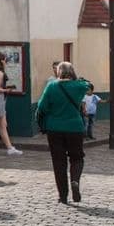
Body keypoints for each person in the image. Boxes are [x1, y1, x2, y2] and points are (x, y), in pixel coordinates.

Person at [36, 62, 90, 204]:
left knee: (58, 162)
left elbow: (42, 107)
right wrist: (78, 78)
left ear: (58, 72)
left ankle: (63, 195)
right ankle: (75, 181)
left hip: (55, 128)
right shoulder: (79, 86)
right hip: (75, 128)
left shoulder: (52, 86)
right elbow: (87, 84)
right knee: (77, 158)